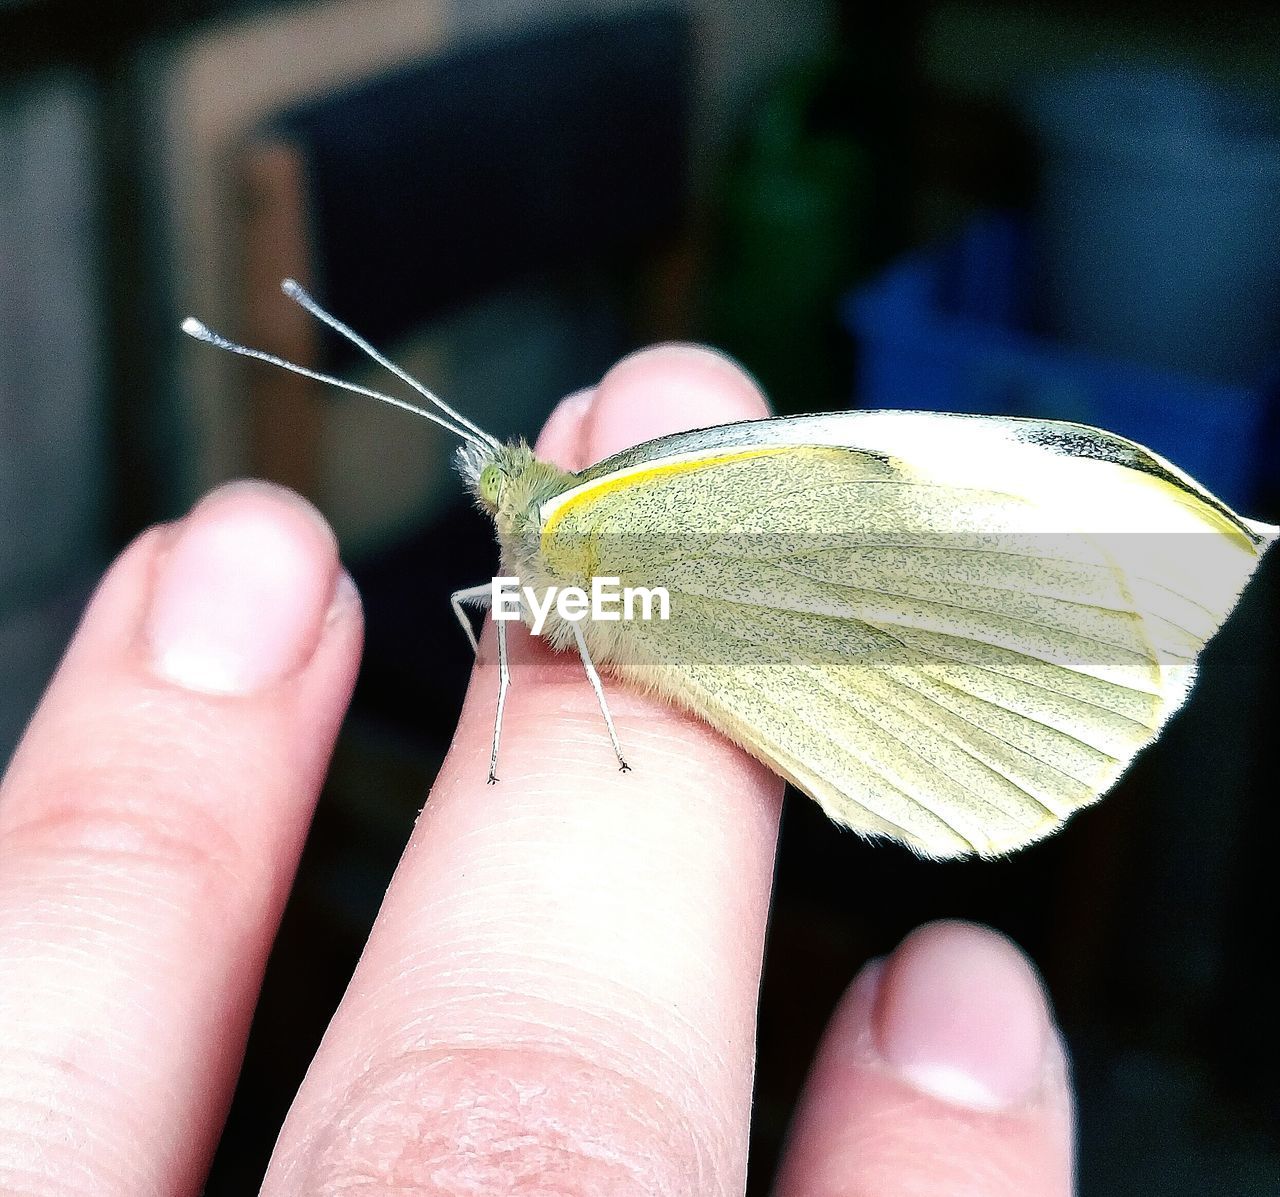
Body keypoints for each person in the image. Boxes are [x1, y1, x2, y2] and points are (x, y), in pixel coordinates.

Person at [0, 346, 1074, 1195]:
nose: (485, 500)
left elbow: (554, 613)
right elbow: (512, 610)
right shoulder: (543, 543)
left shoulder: (579, 523)